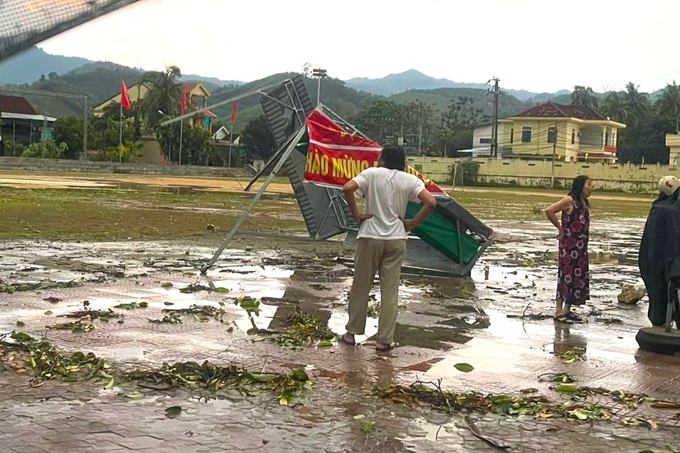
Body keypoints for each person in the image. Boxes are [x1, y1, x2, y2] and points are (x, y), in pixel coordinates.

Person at [340, 146, 437, 351]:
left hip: (370, 237)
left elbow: (348, 188)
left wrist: (357, 215)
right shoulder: (411, 180)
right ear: (402, 162)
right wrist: (411, 224)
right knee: (390, 291)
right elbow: (431, 202)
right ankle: (384, 340)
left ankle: (351, 334)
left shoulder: (371, 174)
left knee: (361, 287)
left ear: (383, 159)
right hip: (396, 238)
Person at [544, 175, 592, 323]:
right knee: (565, 275)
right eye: (588, 185)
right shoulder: (569, 200)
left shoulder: (583, 203)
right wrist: (560, 229)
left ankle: (567, 309)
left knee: (578, 277)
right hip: (568, 246)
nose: (591, 188)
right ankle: (558, 311)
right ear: (580, 186)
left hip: (581, 247)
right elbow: (549, 210)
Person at [639, 175, 680, 326]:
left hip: (654, 260)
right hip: (667, 261)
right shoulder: (669, 211)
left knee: (658, 294)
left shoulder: (657, 208)